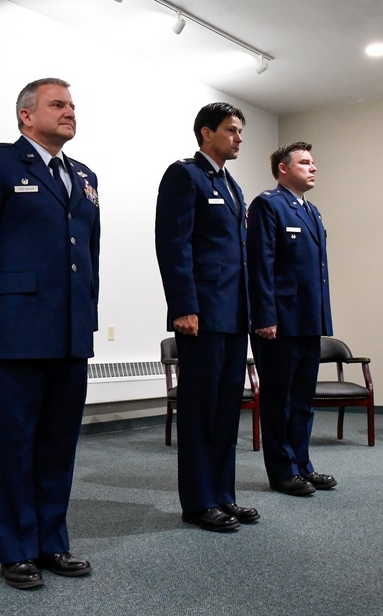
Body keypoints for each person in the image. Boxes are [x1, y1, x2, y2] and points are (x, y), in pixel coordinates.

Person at [0, 78, 100, 590]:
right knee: (15, 446)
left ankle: (51, 541)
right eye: (58, 105)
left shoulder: (82, 175)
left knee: (59, 445)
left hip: (70, 332)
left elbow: (87, 256)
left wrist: (89, 317)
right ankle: (15, 549)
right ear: (25, 116)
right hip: (13, 331)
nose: (70, 112)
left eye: (72, 105)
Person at [155, 102, 259, 533]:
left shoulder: (232, 185)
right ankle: (198, 502)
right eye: (231, 130)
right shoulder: (185, 175)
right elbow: (172, 243)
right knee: (200, 410)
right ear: (206, 133)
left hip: (234, 314)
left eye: (240, 131)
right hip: (201, 313)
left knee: (225, 410)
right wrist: (183, 306)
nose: (238, 138)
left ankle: (223, 495)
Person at [247, 142, 335, 497]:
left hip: (308, 320)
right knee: (278, 400)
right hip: (278, 323)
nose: (312, 168)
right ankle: (282, 471)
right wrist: (265, 316)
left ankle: (302, 465)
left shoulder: (311, 212)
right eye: (304, 162)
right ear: (283, 169)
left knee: (302, 400)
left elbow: (318, 273)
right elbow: (260, 265)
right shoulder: (268, 204)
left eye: (313, 162)